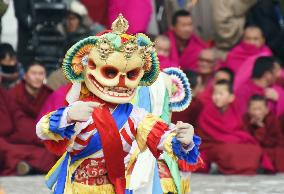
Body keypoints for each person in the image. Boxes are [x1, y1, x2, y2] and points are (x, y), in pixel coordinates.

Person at [36, 15, 202, 194]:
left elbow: (162, 136)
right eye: (109, 72)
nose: (120, 82)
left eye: (130, 75)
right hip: (77, 188)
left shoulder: (136, 116)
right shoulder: (80, 109)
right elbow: (43, 130)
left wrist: (183, 140)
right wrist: (67, 116)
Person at [198, 80, 262, 174]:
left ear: (231, 98)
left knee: (255, 149)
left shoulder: (235, 110)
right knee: (227, 150)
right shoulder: (207, 111)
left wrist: (236, 138)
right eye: (215, 93)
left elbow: (240, 129)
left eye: (220, 94)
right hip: (213, 144)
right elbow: (211, 134)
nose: (216, 97)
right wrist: (234, 138)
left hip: (231, 141)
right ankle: (219, 166)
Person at [0, 75, 57, 176]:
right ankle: (21, 166)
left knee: (47, 150)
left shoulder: (3, 94)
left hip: (12, 136)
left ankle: (25, 167)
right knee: (11, 152)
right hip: (3, 141)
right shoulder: (16, 92)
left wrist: (40, 133)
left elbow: (18, 117)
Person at [243, 95, 284, 172]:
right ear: (248, 110)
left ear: (266, 110)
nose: (256, 112)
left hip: (270, 150)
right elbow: (245, 139)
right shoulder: (245, 119)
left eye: (259, 109)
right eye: (254, 109)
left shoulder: (273, 120)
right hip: (253, 150)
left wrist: (261, 128)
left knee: (278, 153)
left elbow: (277, 141)